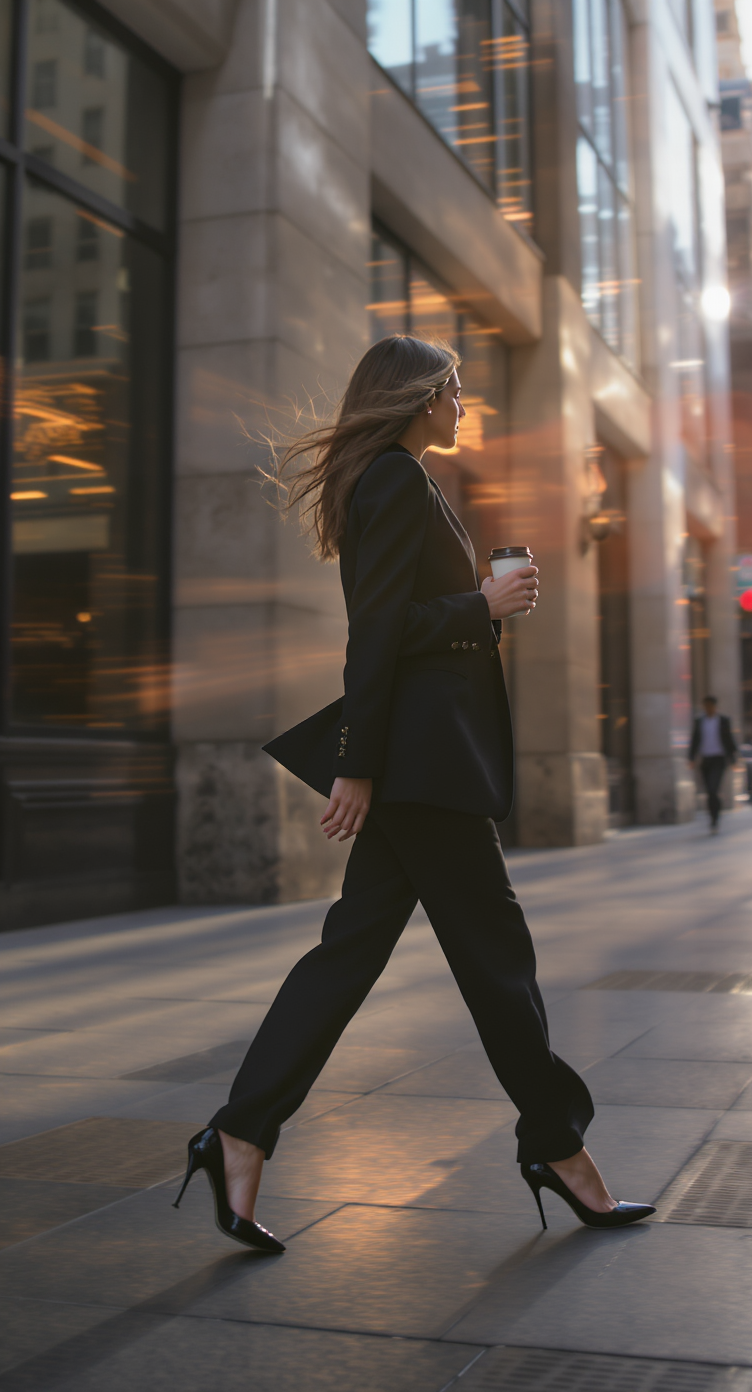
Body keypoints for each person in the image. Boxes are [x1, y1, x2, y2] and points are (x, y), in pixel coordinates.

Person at [173, 336, 655, 1249]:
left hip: (419, 760)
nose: (465, 404)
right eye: (455, 391)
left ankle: (240, 1131)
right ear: (419, 396)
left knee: (349, 953)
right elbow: (378, 631)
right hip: (422, 766)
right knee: (496, 956)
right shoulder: (395, 479)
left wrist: (482, 603)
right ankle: (556, 1147)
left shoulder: (403, 479)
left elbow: (402, 625)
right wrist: (480, 612)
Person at [689, 695, 737, 833]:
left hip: (719, 759)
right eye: (706, 706)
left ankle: (715, 819)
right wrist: (691, 758)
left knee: (713, 788)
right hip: (705, 759)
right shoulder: (699, 721)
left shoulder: (723, 720)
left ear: (715, 706)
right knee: (709, 792)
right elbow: (695, 740)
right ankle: (712, 818)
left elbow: (729, 739)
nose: (708, 708)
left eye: (710, 706)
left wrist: (733, 759)